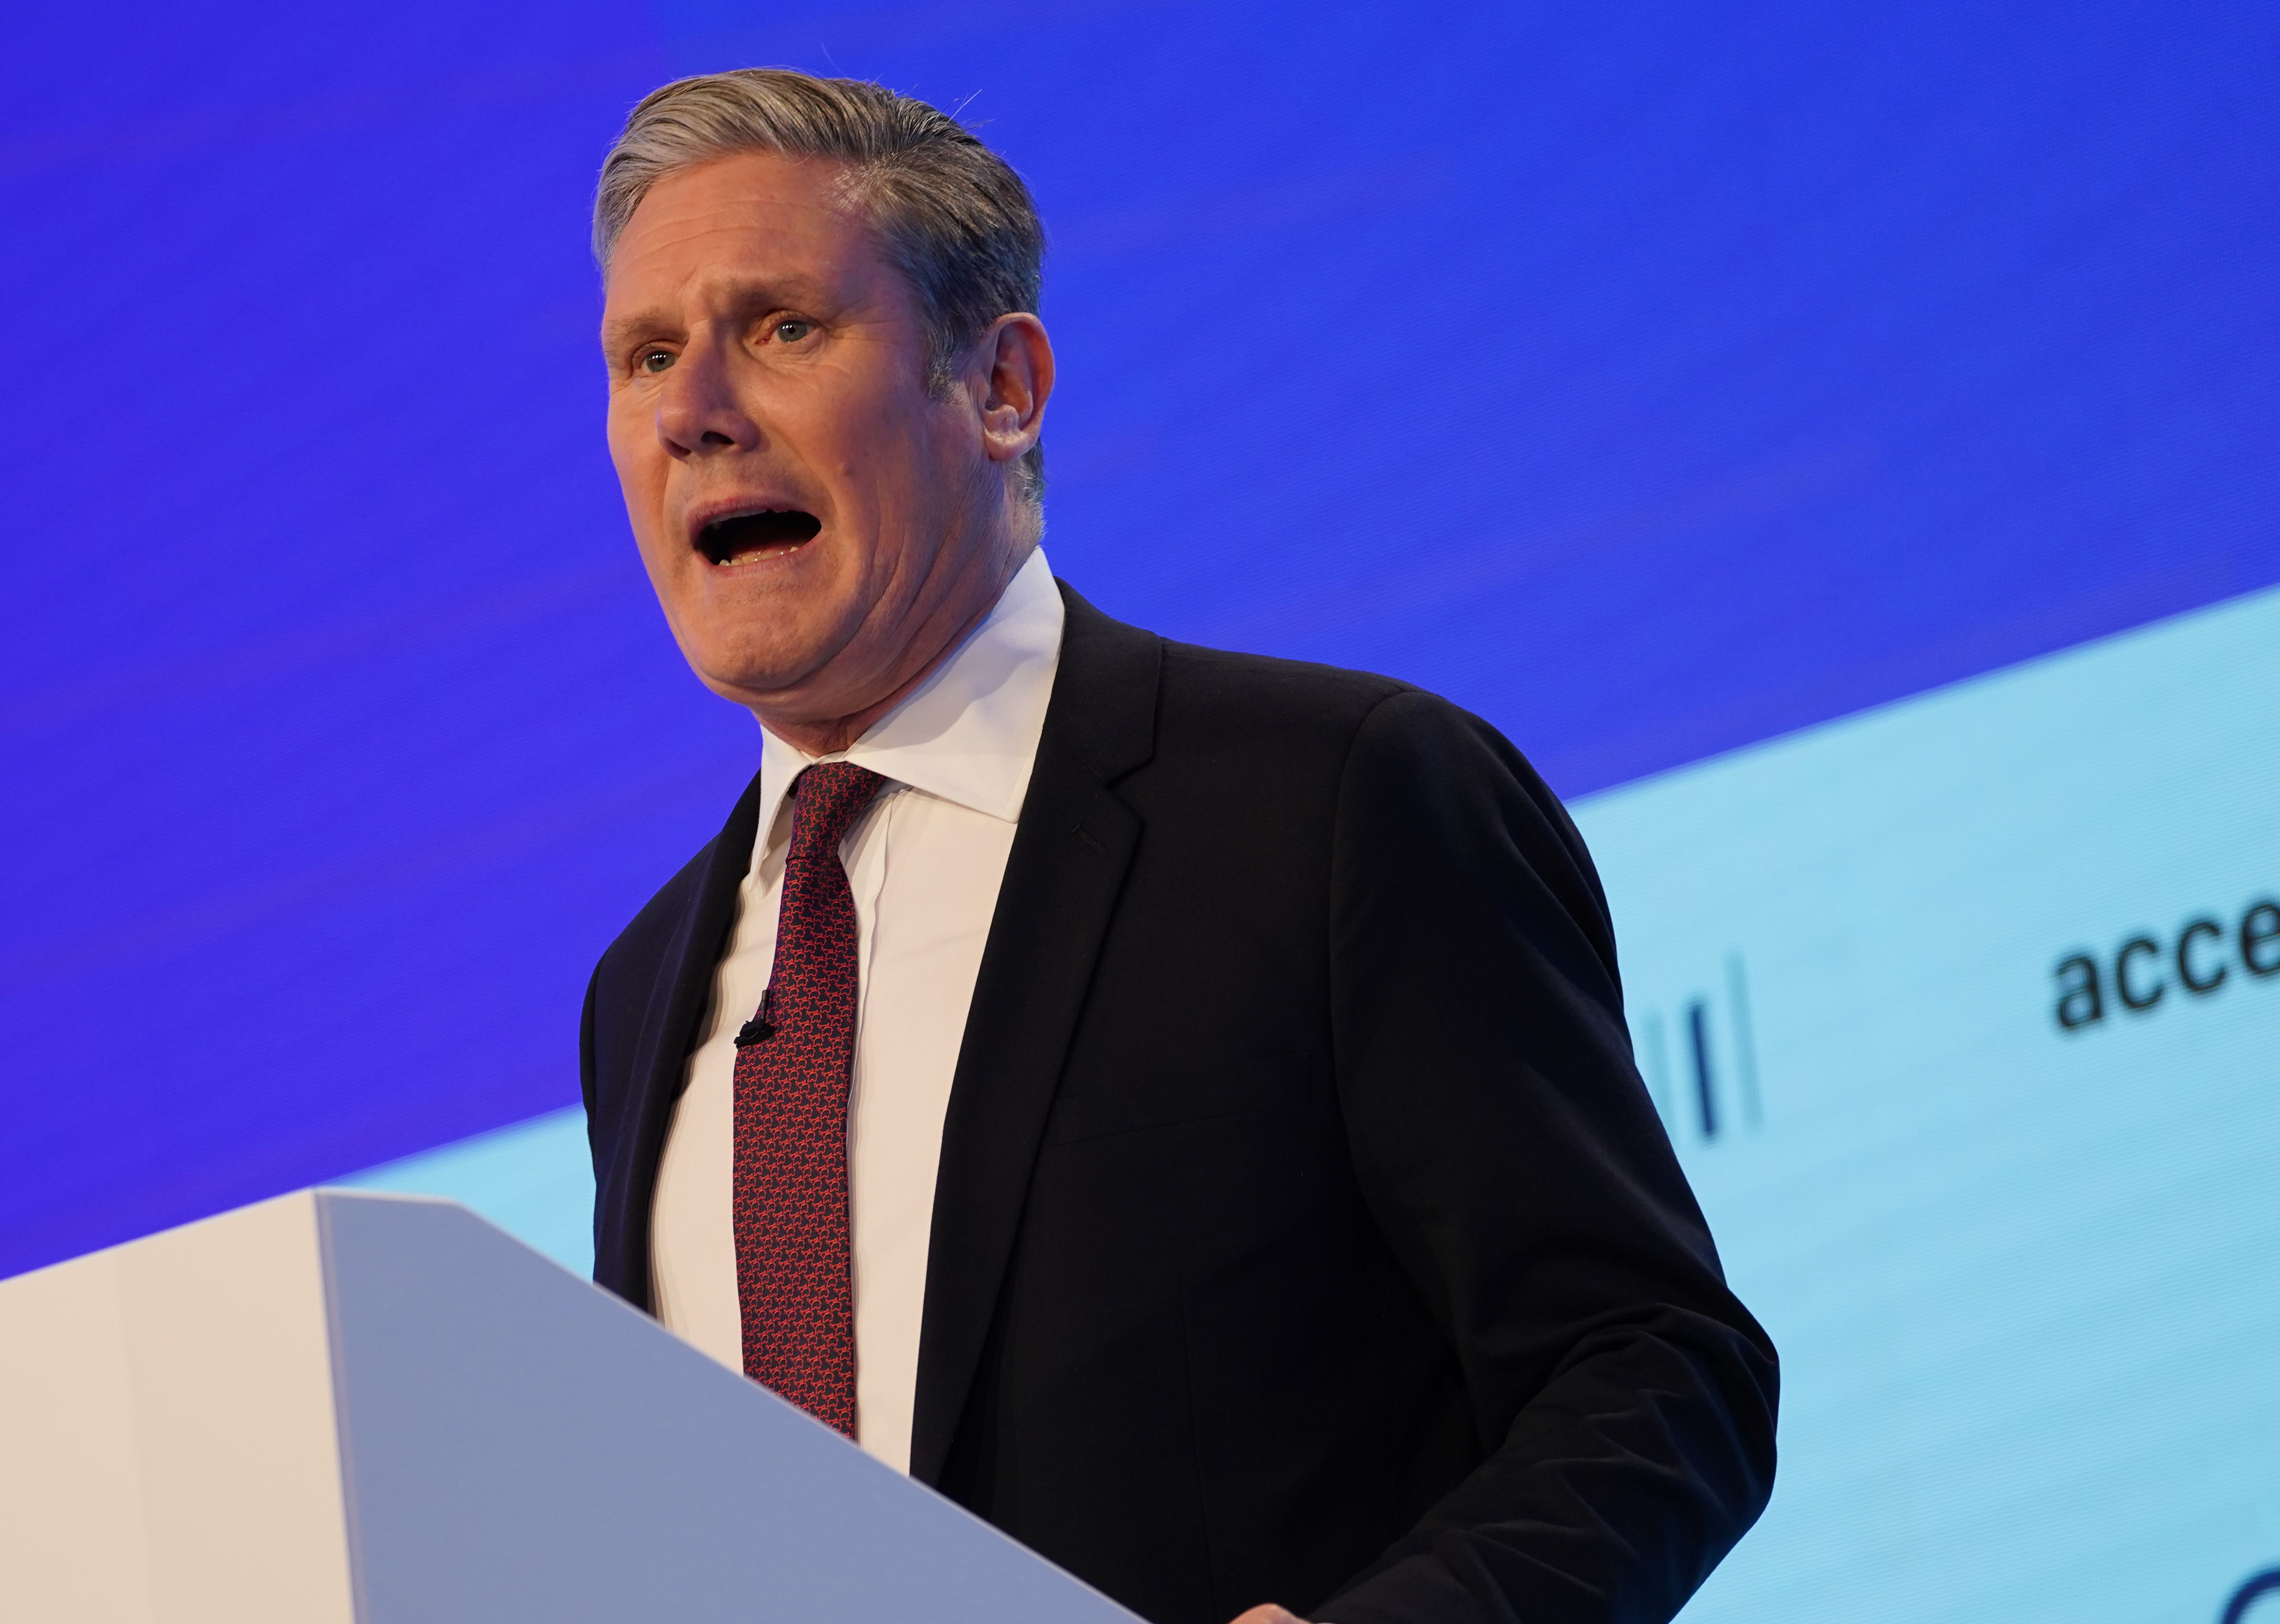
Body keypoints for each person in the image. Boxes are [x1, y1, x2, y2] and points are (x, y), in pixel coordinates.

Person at [578, 67, 1778, 1624]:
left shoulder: (1335, 802)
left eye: (785, 327)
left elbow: (1660, 1372)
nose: (692, 411)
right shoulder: (643, 993)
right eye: (645, 356)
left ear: (1002, 387)